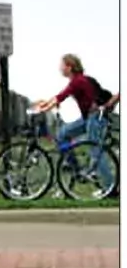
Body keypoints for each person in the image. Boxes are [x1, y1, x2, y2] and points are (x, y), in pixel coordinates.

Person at [31, 54, 114, 186]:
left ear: (69, 67)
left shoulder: (78, 81)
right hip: (88, 118)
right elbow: (58, 96)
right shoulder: (78, 81)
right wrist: (45, 104)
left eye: (62, 65)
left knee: (96, 152)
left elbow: (60, 97)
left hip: (95, 118)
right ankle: (76, 168)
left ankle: (111, 187)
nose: (60, 68)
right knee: (62, 135)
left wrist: (42, 109)